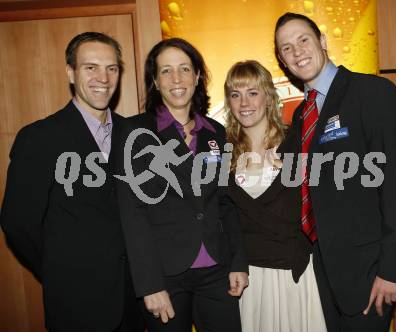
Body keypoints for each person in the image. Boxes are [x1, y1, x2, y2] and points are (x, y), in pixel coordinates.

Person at [274, 12, 396, 332]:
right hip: (323, 272)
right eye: (286, 48)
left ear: (323, 41)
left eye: (303, 40)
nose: (297, 51)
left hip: (369, 272)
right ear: (283, 62)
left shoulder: (372, 93)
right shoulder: (302, 114)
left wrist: (393, 269)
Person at [0, 32, 143, 332]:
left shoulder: (134, 135)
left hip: (133, 302)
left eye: (111, 68)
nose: (102, 77)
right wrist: (58, 269)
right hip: (75, 304)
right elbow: (18, 223)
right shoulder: (40, 138)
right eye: (90, 67)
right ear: (70, 72)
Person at [118, 37, 248, 332]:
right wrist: (149, 284)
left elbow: (225, 202)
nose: (176, 79)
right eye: (165, 71)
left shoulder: (215, 132)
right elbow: (132, 213)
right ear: (154, 80)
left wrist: (238, 261)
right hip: (165, 276)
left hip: (217, 271)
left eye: (184, 69)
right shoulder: (135, 132)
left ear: (198, 76)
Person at [224, 60, 327, 332]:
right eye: (236, 94)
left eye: (253, 93)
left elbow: (322, 204)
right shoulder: (222, 152)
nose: (244, 102)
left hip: (293, 273)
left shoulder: (297, 142)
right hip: (248, 277)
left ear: (269, 97)